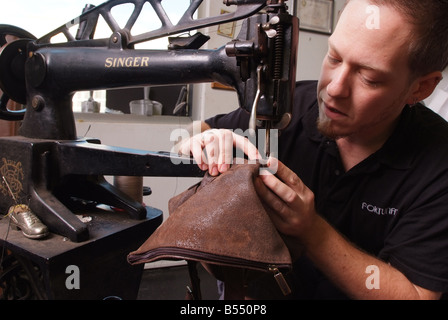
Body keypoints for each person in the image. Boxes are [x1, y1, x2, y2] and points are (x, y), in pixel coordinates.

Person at [177, 0, 448, 299]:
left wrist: (312, 232)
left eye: (368, 77)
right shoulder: (284, 105)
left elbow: (416, 295)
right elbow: (190, 133)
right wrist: (203, 141)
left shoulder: (438, 163)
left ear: (421, 88)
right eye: (333, 57)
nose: (334, 89)